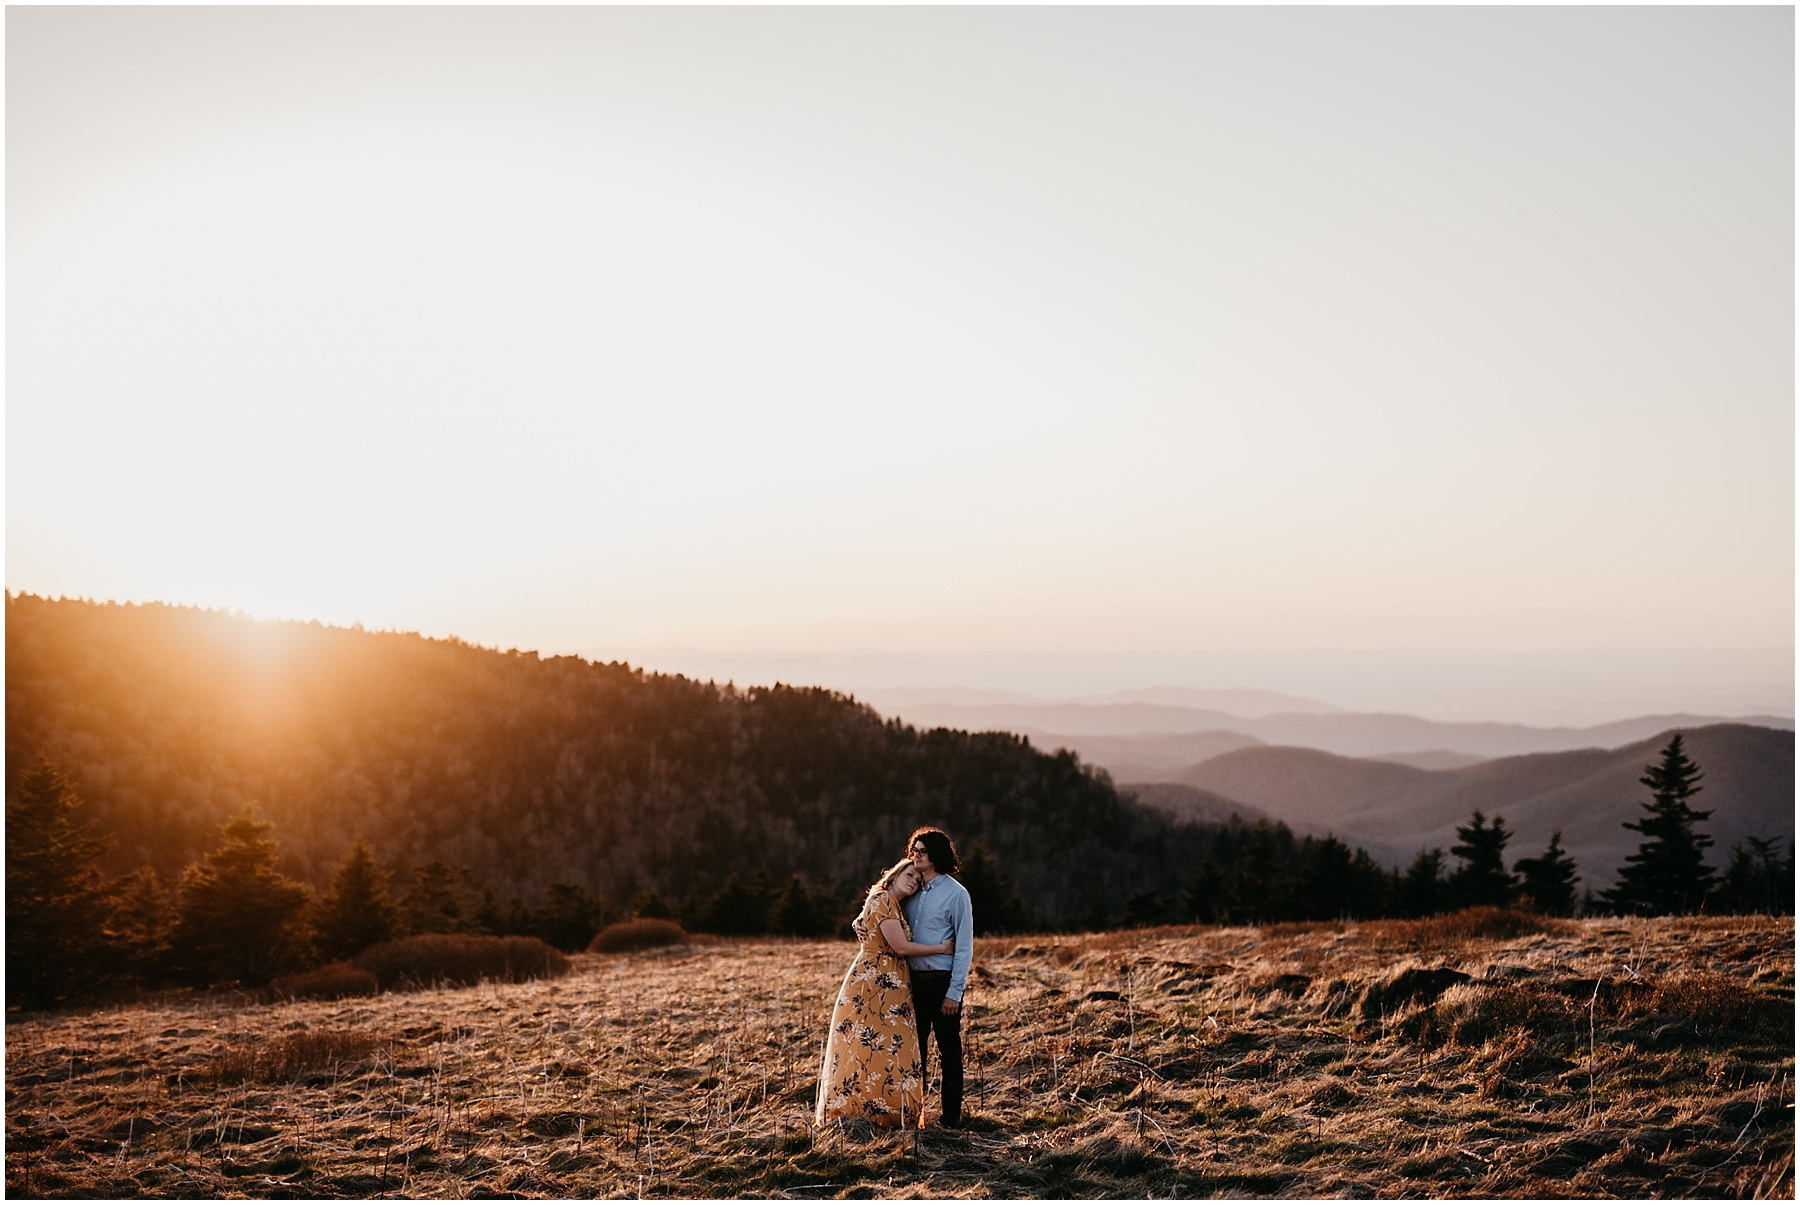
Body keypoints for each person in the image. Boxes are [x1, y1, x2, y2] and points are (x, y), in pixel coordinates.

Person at [815, 860, 955, 1128]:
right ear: (894, 875)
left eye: (918, 879)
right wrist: (941, 948)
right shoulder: (884, 900)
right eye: (909, 874)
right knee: (871, 1047)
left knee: (882, 1050)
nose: (914, 880)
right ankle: (867, 1113)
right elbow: (900, 946)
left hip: (888, 985)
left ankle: (883, 1113)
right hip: (875, 986)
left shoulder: (890, 904)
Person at [900, 827, 974, 1128]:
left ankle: (951, 1120)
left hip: (942, 981)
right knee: (913, 1052)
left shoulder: (956, 894)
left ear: (937, 856)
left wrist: (954, 992)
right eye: (914, 850)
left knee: (949, 1052)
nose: (915, 855)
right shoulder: (910, 889)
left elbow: (965, 946)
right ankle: (914, 1115)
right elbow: (880, 905)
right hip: (912, 982)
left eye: (922, 851)